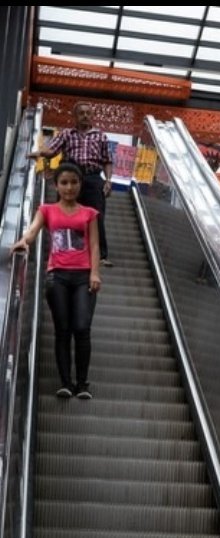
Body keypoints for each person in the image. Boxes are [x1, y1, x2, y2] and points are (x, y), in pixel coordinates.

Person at [12, 162, 102, 398]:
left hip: (83, 277)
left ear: (80, 184)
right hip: (57, 277)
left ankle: (82, 384)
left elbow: (94, 245)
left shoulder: (89, 213)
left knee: (82, 328)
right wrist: (25, 241)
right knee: (62, 330)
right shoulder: (47, 210)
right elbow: (33, 230)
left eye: (74, 182)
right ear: (56, 185)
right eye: (64, 182)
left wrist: (95, 273)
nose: (69, 187)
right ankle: (66, 383)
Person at [29, 101, 114, 266]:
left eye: (88, 113)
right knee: (65, 213)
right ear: (75, 116)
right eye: (81, 113)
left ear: (93, 116)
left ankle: (101, 255)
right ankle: (61, 250)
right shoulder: (66, 134)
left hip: (92, 178)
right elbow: (52, 150)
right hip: (70, 176)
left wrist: (109, 180)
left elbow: (107, 160)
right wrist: (38, 153)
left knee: (96, 216)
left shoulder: (101, 136)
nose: (85, 116)